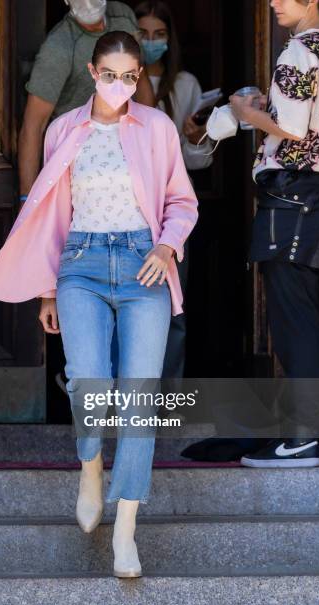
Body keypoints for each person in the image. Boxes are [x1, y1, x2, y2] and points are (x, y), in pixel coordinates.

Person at [0, 31, 198, 576]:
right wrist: (47, 290)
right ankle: (89, 466)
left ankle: (126, 528)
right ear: (93, 72)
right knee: (88, 380)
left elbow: (181, 200)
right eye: (112, 74)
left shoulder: (158, 127)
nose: (122, 84)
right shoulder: (64, 130)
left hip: (143, 264)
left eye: (132, 76)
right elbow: (51, 214)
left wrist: (168, 244)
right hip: (80, 265)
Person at [229, 0, 319, 467]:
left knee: (296, 319)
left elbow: (289, 128)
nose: (273, 3)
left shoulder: (299, 52)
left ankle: (305, 436)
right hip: (318, 198)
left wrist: (244, 111)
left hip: (293, 201)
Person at [130, 0, 213, 379]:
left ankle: (168, 399)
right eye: (142, 35)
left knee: (173, 303)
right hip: (127, 204)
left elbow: (199, 163)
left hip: (175, 205)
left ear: (170, 39)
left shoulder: (185, 84)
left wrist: (195, 139)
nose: (150, 42)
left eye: (158, 35)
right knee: (128, 300)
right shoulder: (119, 82)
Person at [19, 0, 155, 206]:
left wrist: (150, 141)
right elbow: (33, 126)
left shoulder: (123, 16)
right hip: (78, 162)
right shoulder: (59, 48)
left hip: (126, 151)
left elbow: (141, 81)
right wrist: (26, 200)